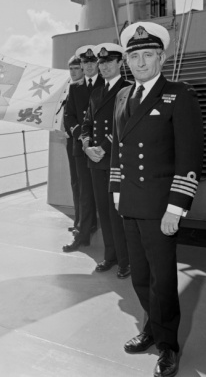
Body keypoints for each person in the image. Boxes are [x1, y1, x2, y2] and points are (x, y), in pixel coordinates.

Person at [111, 22, 203, 377]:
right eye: (134, 56)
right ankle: (151, 329)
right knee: (140, 277)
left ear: (161, 57)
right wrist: (117, 194)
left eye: (147, 54)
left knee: (163, 279)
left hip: (161, 205)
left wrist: (176, 208)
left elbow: (189, 156)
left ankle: (168, 346)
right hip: (130, 203)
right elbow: (119, 153)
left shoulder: (179, 95)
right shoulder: (122, 97)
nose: (140, 62)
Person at [79, 42, 132, 278]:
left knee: (118, 212)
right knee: (103, 210)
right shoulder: (96, 93)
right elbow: (87, 123)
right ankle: (110, 256)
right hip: (96, 161)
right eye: (101, 62)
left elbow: (126, 124)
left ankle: (126, 260)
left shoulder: (129, 89)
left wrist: (102, 146)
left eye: (109, 61)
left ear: (120, 63)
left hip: (117, 161)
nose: (104, 66)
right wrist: (87, 145)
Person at [62, 45, 103, 252]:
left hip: (105, 150)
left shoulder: (109, 85)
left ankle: (116, 246)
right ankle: (83, 235)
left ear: (98, 64)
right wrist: (81, 137)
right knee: (85, 194)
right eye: (84, 62)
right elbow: (69, 115)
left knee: (107, 196)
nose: (87, 66)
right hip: (81, 148)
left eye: (91, 62)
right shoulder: (75, 89)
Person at [62, 55, 84, 232]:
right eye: (71, 69)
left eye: (77, 68)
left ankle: (85, 221)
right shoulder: (67, 88)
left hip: (84, 140)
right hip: (71, 140)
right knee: (75, 182)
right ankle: (79, 219)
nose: (74, 72)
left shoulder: (85, 88)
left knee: (84, 183)